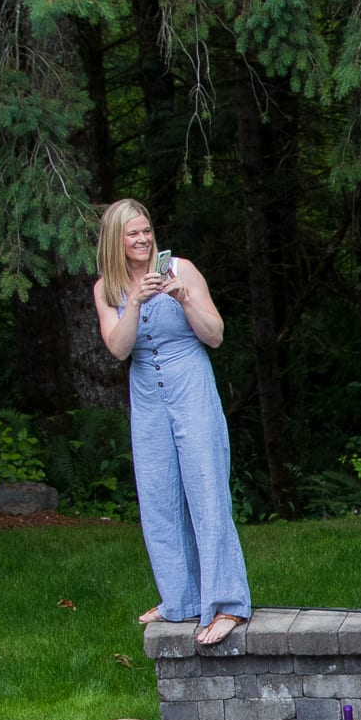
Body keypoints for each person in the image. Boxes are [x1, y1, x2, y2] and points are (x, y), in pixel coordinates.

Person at [92, 200, 251, 647]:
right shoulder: (107, 288)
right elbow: (119, 349)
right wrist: (134, 304)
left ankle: (228, 604)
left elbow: (215, 334)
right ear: (115, 241)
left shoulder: (181, 268)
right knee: (159, 498)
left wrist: (182, 298)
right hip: (147, 397)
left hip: (190, 384)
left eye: (146, 231)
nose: (142, 240)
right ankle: (179, 599)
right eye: (132, 235)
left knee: (206, 491)